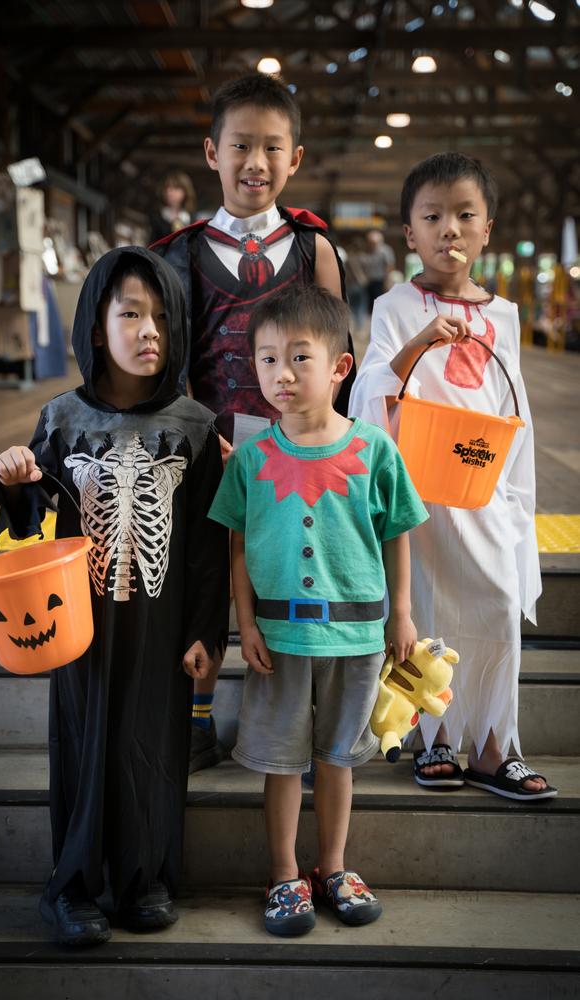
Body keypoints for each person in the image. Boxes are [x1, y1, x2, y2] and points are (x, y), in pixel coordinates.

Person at [0, 247, 229, 945]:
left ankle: (145, 879)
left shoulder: (195, 424)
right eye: (130, 314)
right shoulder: (62, 419)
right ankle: (73, 886)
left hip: (162, 623)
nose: (149, 329)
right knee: (82, 744)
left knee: (153, 746)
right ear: (97, 327)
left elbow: (209, 545)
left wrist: (207, 633)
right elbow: (29, 520)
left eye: (162, 317)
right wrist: (14, 479)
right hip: (77, 625)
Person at [151, 72, 357, 773]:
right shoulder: (176, 254)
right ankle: (199, 718)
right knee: (205, 580)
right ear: (212, 152)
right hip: (205, 453)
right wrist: (189, 434)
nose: (255, 164)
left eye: (272, 148)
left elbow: (340, 358)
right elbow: (166, 364)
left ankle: (302, 719)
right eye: (241, 146)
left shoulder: (313, 249)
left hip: (296, 457)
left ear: (295, 159)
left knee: (291, 578)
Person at [208, 284, 428, 936]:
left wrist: (403, 614)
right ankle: (283, 874)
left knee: (338, 756)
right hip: (275, 639)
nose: (281, 374)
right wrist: (243, 624)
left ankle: (332, 867)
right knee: (280, 761)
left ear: (340, 367)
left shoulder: (374, 450)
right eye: (268, 360)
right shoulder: (250, 459)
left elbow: (398, 534)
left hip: (357, 635)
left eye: (300, 358)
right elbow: (238, 545)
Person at [348, 152, 557, 800]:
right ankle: (435, 741)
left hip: (486, 491)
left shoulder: (505, 317)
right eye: (433, 216)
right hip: (422, 497)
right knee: (430, 616)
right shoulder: (395, 306)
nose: (450, 230)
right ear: (409, 232)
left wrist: (517, 498)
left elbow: (512, 406)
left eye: (465, 215)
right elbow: (368, 391)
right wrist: (420, 344)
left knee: (495, 609)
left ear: (487, 228)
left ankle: (496, 747)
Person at [149, 171, 197, 244]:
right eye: (167, 188)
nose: (169, 192)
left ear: (185, 191)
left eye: (175, 188)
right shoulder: (157, 216)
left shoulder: (191, 218)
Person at [358, 228, 395, 314]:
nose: (371, 244)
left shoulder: (385, 251)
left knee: (380, 304)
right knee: (368, 306)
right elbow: (361, 266)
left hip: (380, 281)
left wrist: (387, 281)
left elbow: (389, 266)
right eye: (370, 242)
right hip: (368, 282)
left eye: (374, 242)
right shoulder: (364, 252)